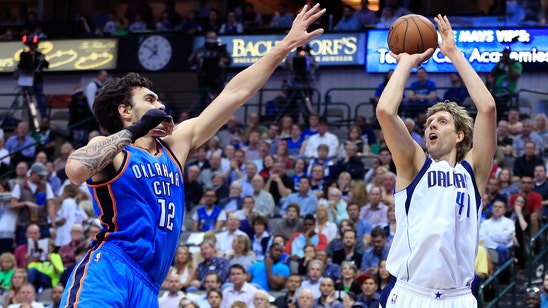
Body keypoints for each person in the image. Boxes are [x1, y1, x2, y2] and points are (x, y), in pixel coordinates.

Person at [60, 5, 326, 306]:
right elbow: (75, 170)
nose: (160, 105)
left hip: (149, 284)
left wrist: (284, 46)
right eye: (150, 100)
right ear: (125, 111)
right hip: (109, 270)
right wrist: (135, 130)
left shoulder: (175, 144)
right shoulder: (113, 150)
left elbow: (234, 94)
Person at [376, 15, 496, 307]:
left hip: (458, 297)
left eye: (441, 122)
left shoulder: (474, 171)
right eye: (429, 122)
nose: (430, 126)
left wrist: (453, 53)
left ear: (458, 135)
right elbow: (385, 112)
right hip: (408, 293)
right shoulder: (415, 163)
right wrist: (405, 60)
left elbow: (488, 107)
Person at [17, 34, 49, 118]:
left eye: (33, 45)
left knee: (40, 99)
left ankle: (44, 117)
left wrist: (42, 60)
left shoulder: (39, 55)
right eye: (30, 45)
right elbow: (21, 65)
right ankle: (28, 117)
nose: (32, 47)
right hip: (27, 79)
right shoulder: (24, 54)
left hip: (38, 80)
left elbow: (46, 65)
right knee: (27, 99)